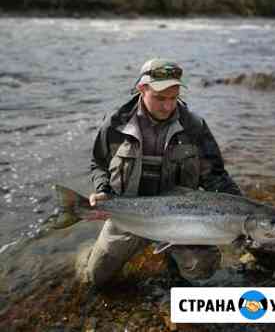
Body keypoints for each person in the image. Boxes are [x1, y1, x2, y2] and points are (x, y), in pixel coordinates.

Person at [82, 58, 242, 288]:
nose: (168, 106)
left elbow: (216, 176)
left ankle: (172, 257)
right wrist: (102, 191)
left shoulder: (195, 128)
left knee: (202, 268)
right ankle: (85, 252)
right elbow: (98, 163)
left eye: (173, 98)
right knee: (96, 278)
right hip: (130, 215)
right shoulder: (115, 124)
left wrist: (244, 211)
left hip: (181, 220)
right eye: (160, 98)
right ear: (141, 89)